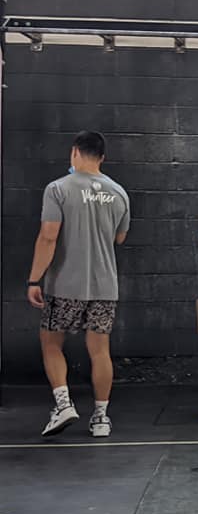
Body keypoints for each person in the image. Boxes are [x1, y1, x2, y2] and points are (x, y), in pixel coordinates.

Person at [27, 130, 130, 438]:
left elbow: (48, 237)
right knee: (100, 350)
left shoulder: (58, 188)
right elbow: (119, 237)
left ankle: (63, 405)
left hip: (64, 284)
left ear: (74, 152)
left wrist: (34, 279)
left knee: (51, 343)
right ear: (102, 158)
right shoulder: (119, 193)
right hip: (104, 286)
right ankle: (100, 418)